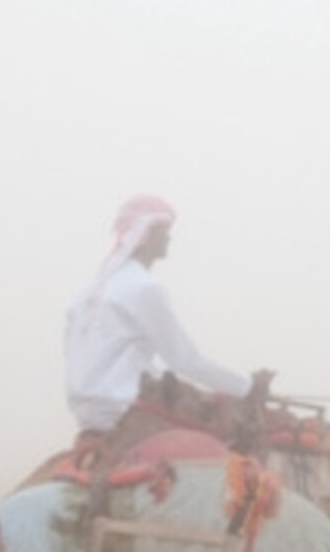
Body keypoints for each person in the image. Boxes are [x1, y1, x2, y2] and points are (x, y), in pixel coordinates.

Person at [62, 195, 271, 457]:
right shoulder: (144, 289)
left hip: (89, 418)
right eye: (165, 232)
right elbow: (186, 360)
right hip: (128, 413)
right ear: (146, 235)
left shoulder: (87, 294)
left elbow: (99, 357)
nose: (169, 239)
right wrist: (247, 386)